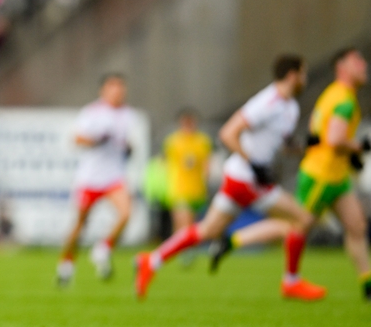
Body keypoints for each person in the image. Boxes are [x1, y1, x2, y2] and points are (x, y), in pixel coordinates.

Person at [134, 54, 326, 301]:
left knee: (207, 230)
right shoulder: (267, 102)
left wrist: (306, 145)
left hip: (242, 178)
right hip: (247, 179)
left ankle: (152, 260)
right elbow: (227, 134)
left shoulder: (290, 107)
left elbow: (281, 143)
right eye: (303, 74)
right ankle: (291, 282)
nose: (305, 79)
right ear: (292, 75)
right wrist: (254, 164)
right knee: (302, 219)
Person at [210, 47, 370, 300]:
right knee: (299, 222)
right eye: (357, 61)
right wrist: (359, 146)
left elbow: (317, 132)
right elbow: (334, 137)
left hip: (336, 174)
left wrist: (346, 154)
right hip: (322, 174)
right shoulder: (342, 99)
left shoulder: (331, 95)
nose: (364, 65)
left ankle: (367, 282)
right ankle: (250, 252)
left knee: (356, 226)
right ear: (342, 67)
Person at [57, 73, 135, 285]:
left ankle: (103, 248)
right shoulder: (93, 112)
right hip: (90, 178)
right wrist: (97, 140)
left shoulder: (127, 114)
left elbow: (124, 143)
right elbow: (77, 138)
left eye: (121, 87)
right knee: (81, 224)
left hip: (113, 177)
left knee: (126, 213)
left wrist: (128, 148)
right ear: (104, 90)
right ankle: (66, 263)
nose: (118, 91)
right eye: (114, 87)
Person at [162, 108, 212, 265]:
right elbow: (166, 163)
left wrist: (205, 180)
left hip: (196, 189)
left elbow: (206, 164)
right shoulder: (173, 141)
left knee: (190, 223)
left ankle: (183, 249)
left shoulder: (202, 141)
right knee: (181, 220)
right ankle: (181, 252)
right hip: (178, 187)